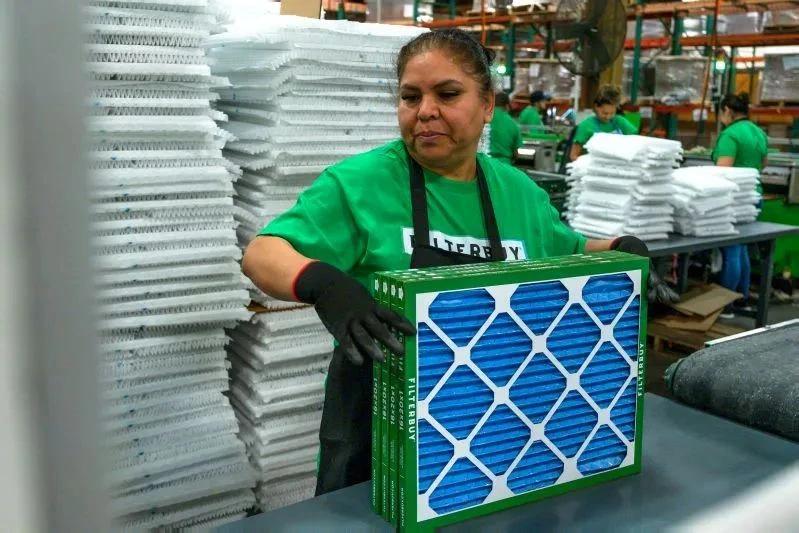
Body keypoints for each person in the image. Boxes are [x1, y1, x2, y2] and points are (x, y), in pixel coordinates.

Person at [241, 28, 649, 497]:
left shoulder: (519, 193)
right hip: (381, 436)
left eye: (448, 93)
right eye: (410, 96)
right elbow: (262, 252)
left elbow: (570, 250)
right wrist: (324, 284)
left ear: (488, 104)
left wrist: (620, 247)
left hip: (501, 428)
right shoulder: (361, 184)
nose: (425, 110)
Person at [713, 92, 768, 316]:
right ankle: (743, 298)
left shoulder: (730, 134)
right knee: (743, 248)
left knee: (732, 251)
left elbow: (722, 170)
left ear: (727, 110)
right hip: (754, 198)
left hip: (733, 201)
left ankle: (726, 304)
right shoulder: (759, 132)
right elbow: (763, 164)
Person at [569, 84, 637, 161]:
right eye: (604, 113)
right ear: (596, 107)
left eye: (612, 113)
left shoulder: (619, 121)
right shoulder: (586, 126)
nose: (608, 117)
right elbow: (573, 156)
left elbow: (636, 141)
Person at [488, 91, 522, 164]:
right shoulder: (513, 124)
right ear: (507, 106)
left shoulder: (484, 118)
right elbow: (515, 153)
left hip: (483, 163)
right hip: (505, 165)